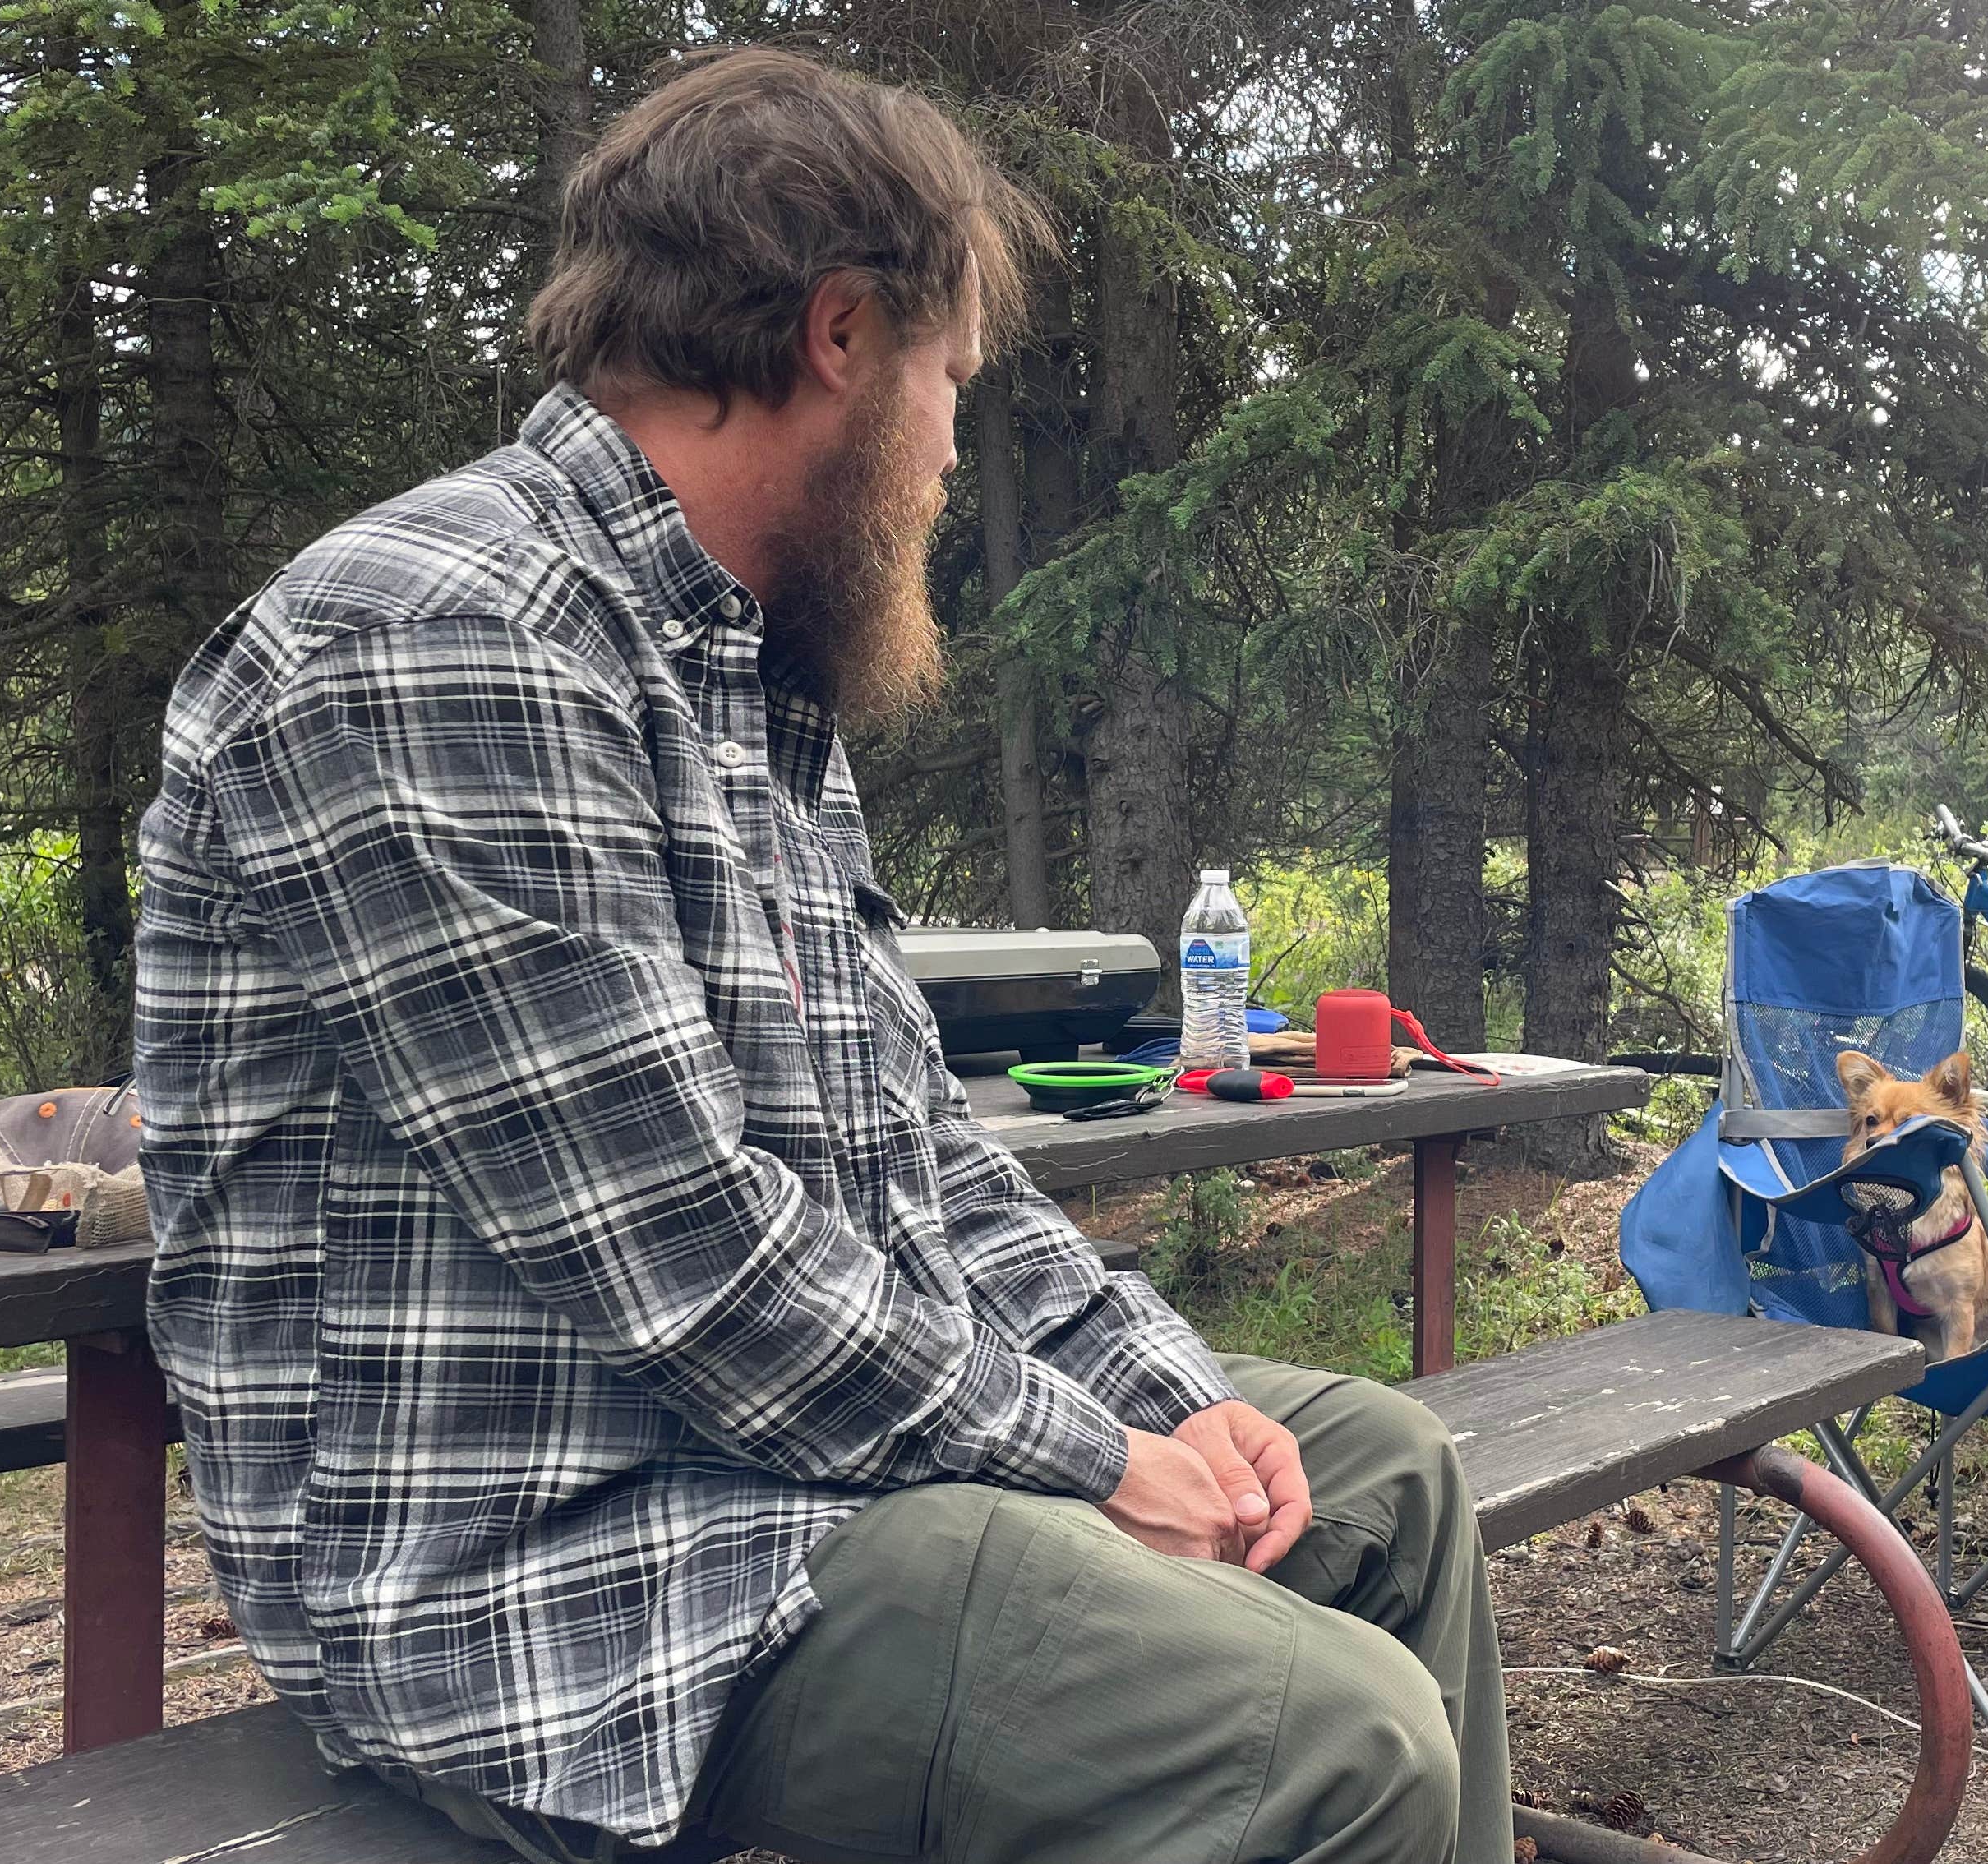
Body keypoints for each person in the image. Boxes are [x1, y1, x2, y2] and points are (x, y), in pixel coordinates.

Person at [132, 48, 1505, 1864]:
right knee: (1329, 1748)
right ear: (842, 335)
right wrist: (1096, 1459)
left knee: (1378, 1481)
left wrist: (1179, 1399)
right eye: (951, 386)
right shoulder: (439, 639)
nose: (946, 457)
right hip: (563, 1579)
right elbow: (684, 1258)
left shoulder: (752, 688)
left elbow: (929, 1169)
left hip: (786, 1471)